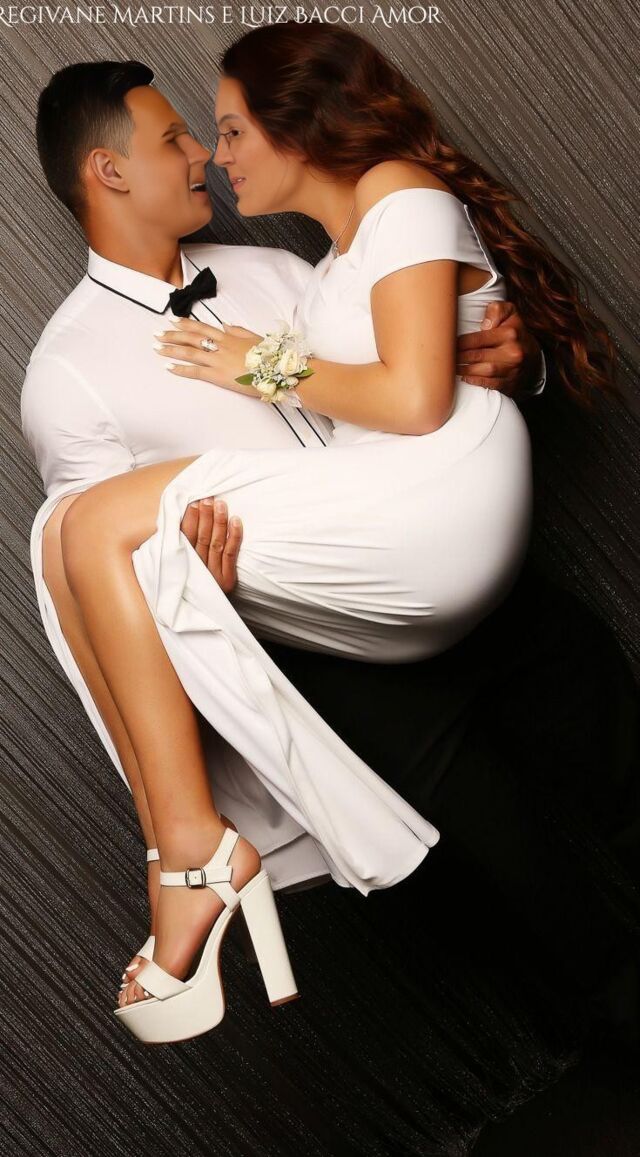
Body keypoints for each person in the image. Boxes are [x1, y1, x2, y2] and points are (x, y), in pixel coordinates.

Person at [23, 41, 635, 1043]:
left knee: (617, 753)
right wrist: (194, 582)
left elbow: (407, 381)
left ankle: (183, 859)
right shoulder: (67, 375)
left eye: (212, 132)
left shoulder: (280, 269)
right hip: (341, 659)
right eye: (175, 138)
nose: (202, 154)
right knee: (534, 892)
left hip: (465, 568)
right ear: (109, 170)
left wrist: (506, 355)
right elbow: (111, 587)